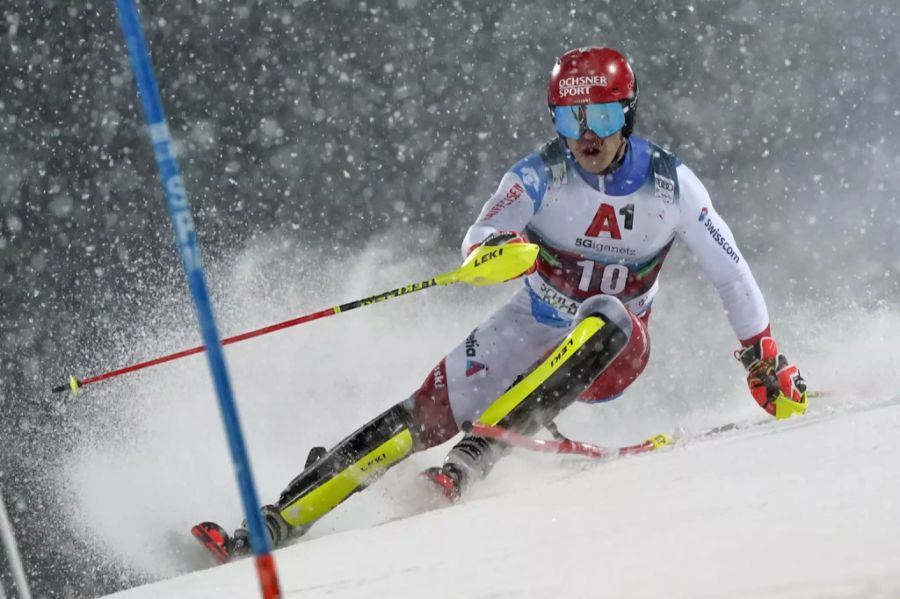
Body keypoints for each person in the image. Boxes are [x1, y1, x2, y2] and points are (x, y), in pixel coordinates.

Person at [193, 46, 807, 561]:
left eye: (598, 115)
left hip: (613, 351)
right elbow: (480, 235)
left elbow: (731, 273)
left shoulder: (671, 185)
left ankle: (474, 457)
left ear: (627, 113)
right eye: (569, 120)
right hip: (532, 324)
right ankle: (274, 523)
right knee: (418, 414)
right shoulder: (539, 174)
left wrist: (762, 354)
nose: (585, 135)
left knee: (609, 314)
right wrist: (497, 249)